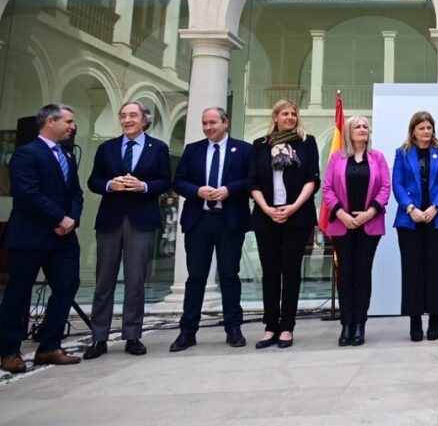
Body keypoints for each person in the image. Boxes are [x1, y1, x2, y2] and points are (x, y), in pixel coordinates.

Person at [84, 100, 172, 359]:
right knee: (104, 281)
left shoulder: (158, 148)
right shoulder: (107, 148)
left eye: (133, 115)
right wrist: (111, 184)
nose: (127, 120)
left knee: (135, 281)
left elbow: (166, 181)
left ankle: (132, 335)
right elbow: (93, 181)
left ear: (145, 120)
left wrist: (142, 186)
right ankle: (99, 337)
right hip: (110, 220)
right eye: (123, 116)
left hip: (141, 220)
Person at [0, 104, 83, 373]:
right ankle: (9, 350)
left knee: (67, 286)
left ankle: (49, 345)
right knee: (19, 293)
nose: (72, 126)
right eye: (69, 121)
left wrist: (72, 219)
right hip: (30, 237)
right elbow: (27, 193)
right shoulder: (26, 154)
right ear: (50, 121)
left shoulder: (68, 156)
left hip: (64, 239)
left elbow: (76, 193)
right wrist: (59, 218)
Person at [169, 107, 253, 352]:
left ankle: (233, 328)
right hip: (199, 220)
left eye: (213, 123)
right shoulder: (192, 150)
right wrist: (197, 191)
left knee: (229, 275)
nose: (208, 127)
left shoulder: (244, 149)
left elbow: (251, 181)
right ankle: (187, 331)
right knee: (195, 277)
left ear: (225, 122)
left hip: (229, 221)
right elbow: (179, 182)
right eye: (205, 123)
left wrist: (229, 190)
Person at [249, 99, 320, 350]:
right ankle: (270, 326)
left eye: (293, 113)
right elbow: (253, 182)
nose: (290, 117)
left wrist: (293, 207)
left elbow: (313, 179)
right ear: (275, 116)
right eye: (285, 113)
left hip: (297, 216)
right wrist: (267, 209)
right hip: (266, 216)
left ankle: (287, 327)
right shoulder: (260, 145)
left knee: (291, 271)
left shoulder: (307, 142)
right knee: (270, 272)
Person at [321, 116, 390, 347]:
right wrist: (341, 214)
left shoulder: (377, 157)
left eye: (365, 127)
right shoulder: (336, 158)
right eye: (358, 127)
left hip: (369, 224)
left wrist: (368, 213)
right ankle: (346, 324)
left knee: (363, 273)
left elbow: (385, 188)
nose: (363, 130)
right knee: (346, 275)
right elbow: (328, 188)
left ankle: (360, 323)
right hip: (342, 224)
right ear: (349, 132)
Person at [392, 111, 438, 342]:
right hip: (410, 220)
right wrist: (411, 208)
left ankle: (435, 319)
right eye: (422, 128)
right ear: (413, 131)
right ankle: (415, 320)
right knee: (412, 270)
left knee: (436, 269)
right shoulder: (402, 153)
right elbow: (397, 183)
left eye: (429, 127)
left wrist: (435, 207)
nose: (426, 132)